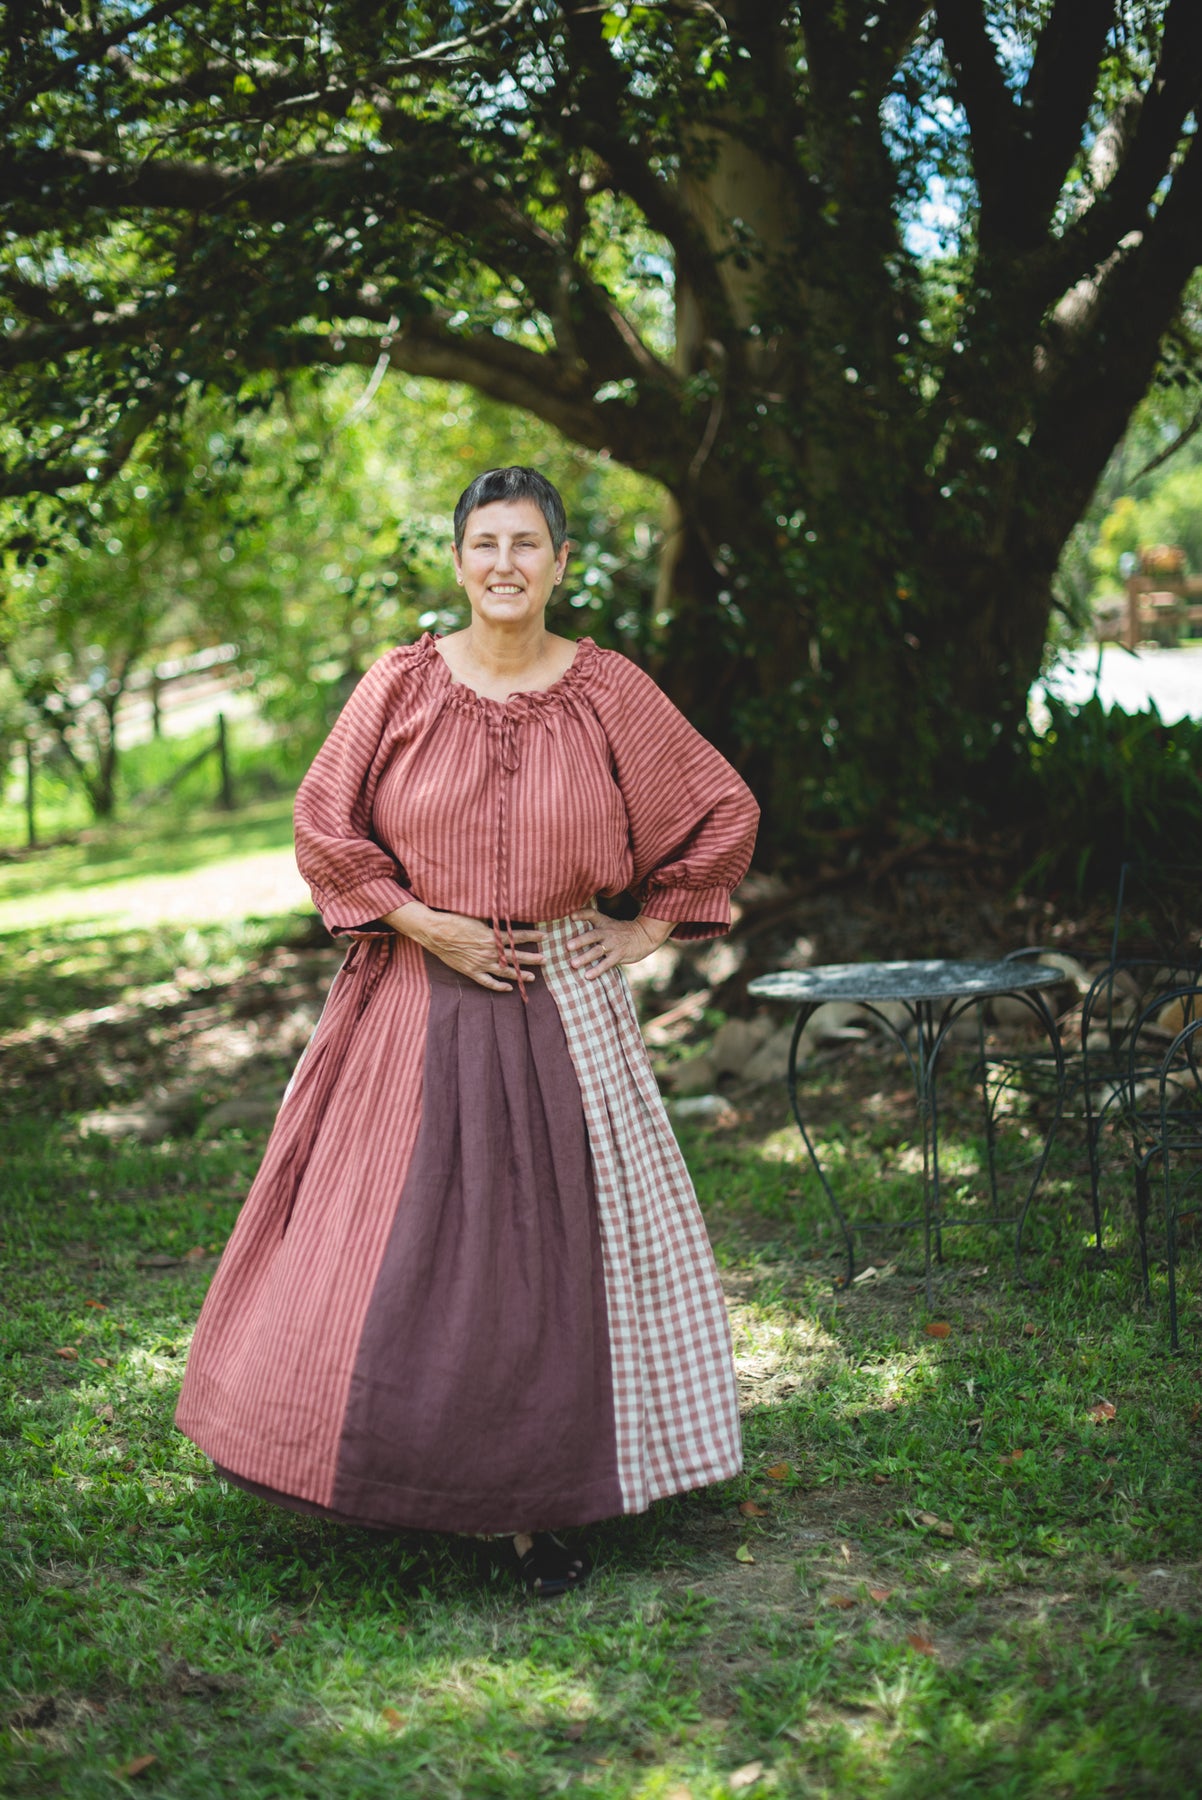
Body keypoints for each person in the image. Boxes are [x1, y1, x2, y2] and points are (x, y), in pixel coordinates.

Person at [175, 466, 759, 1597]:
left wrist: (645, 929)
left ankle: (535, 1505)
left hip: (564, 1007)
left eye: (526, 544)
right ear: (456, 562)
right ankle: (376, 1461)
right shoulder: (398, 685)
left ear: (560, 563)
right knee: (387, 1247)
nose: (504, 564)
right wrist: (420, 923)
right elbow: (322, 822)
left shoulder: (608, 691)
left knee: (541, 1260)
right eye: (484, 544)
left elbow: (718, 806)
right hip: (408, 1002)